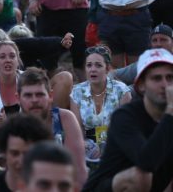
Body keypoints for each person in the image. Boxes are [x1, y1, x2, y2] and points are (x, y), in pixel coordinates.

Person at [84, 48, 173, 191]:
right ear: (141, 86)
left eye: (170, 78)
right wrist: (170, 112)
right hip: (104, 188)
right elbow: (147, 162)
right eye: (157, 78)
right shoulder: (125, 116)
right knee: (140, 176)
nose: (165, 85)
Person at [17, 67, 87, 187]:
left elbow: (79, 169)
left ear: (50, 96)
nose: (34, 100)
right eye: (28, 95)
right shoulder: (14, 127)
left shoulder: (65, 119)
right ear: (18, 98)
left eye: (39, 94)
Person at [70, 46, 131, 161]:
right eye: (89, 65)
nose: (93, 69)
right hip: (88, 147)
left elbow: (124, 128)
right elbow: (77, 129)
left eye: (98, 65)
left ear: (107, 69)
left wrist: (105, 145)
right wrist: (85, 145)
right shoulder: (77, 92)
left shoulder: (121, 90)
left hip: (116, 144)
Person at [0, 114, 53, 192]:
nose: (21, 161)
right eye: (15, 154)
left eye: (27, 154)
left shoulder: (54, 187)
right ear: (4, 155)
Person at [110, 23, 173, 89]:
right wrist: (120, 88)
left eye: (163, 40)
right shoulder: (145, 62)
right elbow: (113, 74)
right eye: (154, 40)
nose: (158, 44)